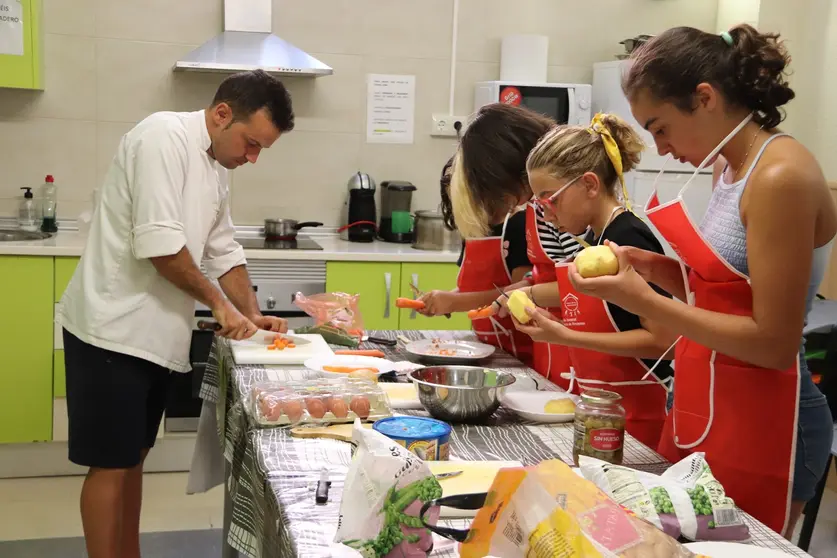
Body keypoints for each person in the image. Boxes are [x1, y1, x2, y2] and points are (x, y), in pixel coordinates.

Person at [567, 25, 836, 536]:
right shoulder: (726, 171)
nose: (661, 149)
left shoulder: (781, 177)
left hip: (772, 419)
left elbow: (775, 343)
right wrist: (655, 270)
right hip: (708, 404)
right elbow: (722, 288)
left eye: (661, 127)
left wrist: (644, 299)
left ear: (705, 98)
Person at [56, 70, 295, 558]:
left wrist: (252, 317)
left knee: (134, 458)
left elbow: (224, 249)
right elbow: (162, 249)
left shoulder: (216, 167)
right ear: (222, 113)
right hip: (110, 332)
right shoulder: (162, 137)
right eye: (251, 143)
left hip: (154, 337)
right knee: (109, 465)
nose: (251, 158)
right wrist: (221, 307)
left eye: (261, 151)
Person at [503, 113, 677, 449]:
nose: (546, 213)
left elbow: (662, 340)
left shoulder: (627, 238)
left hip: (640, 418)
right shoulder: (598, 241)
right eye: (539, 203)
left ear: (590, 185)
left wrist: (566, 336)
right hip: (605, 413)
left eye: (550, 198)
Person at [444, 103, 582, 379]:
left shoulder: (570, 207)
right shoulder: (542, 208)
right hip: (553, 354)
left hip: (581, 354)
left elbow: (586, 287)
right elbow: (546, 276)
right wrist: (519, 290)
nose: (512, 203)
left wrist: (524, 294)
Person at [418, 156, 531, 315]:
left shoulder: (519, 225)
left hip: (518, 337)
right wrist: (442, 301)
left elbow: (521, 293)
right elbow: (471, 289)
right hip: (483, 336)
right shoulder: (472, 229)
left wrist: (454, 302)